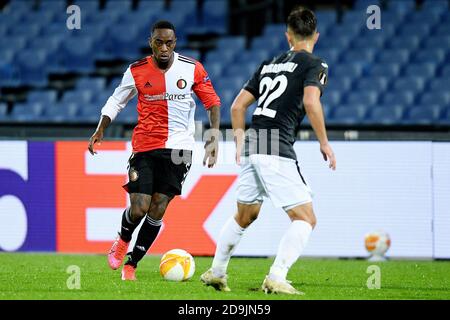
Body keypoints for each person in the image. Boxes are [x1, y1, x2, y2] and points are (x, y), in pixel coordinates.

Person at [200, 7, 336, 295]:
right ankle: (276, 276)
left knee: (245, 215)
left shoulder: (269, 64)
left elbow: (237, 106)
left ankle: (217, 271)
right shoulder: (315, 64)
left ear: (288, 36)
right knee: (306, 218)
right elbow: (312, 102)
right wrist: (324, 142)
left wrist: (239, 142)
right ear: (316, 36)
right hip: (276, 146)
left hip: (253, 143)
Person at [88, 20, 221, 281]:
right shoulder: (136, 70)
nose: (163, 48)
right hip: (145, 147)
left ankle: (132, 265)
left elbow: (213, 102)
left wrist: (214, 136)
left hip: (179, 149)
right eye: (158, 42)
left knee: (158, 208)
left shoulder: (192, 68)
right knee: (139, 208)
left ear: (175, 43)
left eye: (169, 43)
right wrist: (100, 129)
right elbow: (116, 101)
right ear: (151, 42)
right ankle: (123, 239)